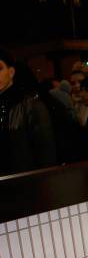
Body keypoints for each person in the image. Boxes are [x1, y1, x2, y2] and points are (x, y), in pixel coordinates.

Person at [0, 47, 56, 176]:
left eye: (0, 68)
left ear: (11, 72)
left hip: (26, 185)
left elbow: (47, 153)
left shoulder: (31, 106)